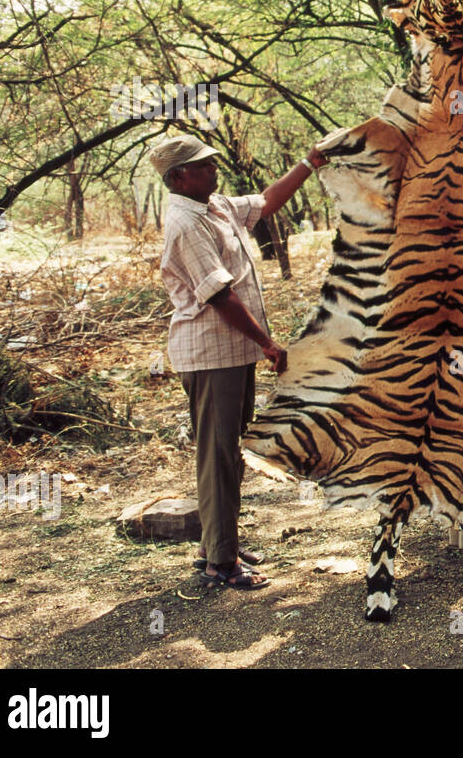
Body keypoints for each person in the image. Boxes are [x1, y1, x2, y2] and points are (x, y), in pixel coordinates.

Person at [151, 134, 328, 590]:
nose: (214, 170)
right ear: (178, 177)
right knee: (217, 455)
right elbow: (219, 295)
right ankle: (220, 564)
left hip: (232, 352)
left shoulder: (214, 205)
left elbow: (266, 202)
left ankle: (218, 543)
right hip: (212, 354)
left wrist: (309, 162)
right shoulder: (186, 222)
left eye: (212, 162)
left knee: (228, 452)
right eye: (204, 166)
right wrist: (268, 344)